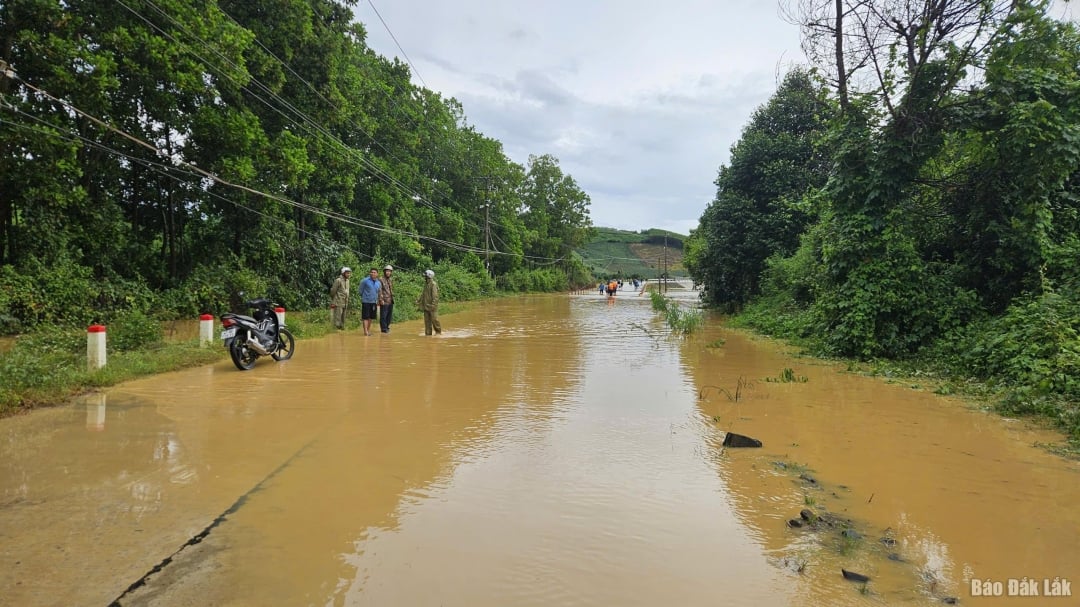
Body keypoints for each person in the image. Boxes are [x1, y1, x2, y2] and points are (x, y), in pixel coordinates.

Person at [418, 269, 441, 335]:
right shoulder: (426, 284)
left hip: (432, 307)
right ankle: (428, 335)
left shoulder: (433, 284)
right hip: (426, 306)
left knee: (435, 320)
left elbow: (435, 297)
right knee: (427, 322)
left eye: (425, 276)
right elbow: (423, 294)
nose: (424, 277)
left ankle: (438, 333)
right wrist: (419, 300)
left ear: (429, 276)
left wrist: (433, 306)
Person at [358, 268, 381, 336]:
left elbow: (378, 292)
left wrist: (378, 300)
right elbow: (360, 291)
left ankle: (368, 330)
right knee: (365, 317)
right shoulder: (365, 281)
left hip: (374, 302)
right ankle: (365, 331)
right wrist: (365, 297)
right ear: (369, 273)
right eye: (372, 272)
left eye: (374, 272)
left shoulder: (378, 283)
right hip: (366, 301)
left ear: (377, 274)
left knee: (371, 317)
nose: (373, 273)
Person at [378, 265, 395, 333]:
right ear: (384, 272)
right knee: (383, 315)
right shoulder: (380, 279)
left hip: (390, 300)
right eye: (387, 271)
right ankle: (384, 329)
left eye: (389, 271)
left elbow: (391, 289)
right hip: (384, 300)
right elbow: (380, 290)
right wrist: (381, 300)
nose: (388, 273)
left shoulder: (390, 280)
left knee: (389, 316)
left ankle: (387, 327)